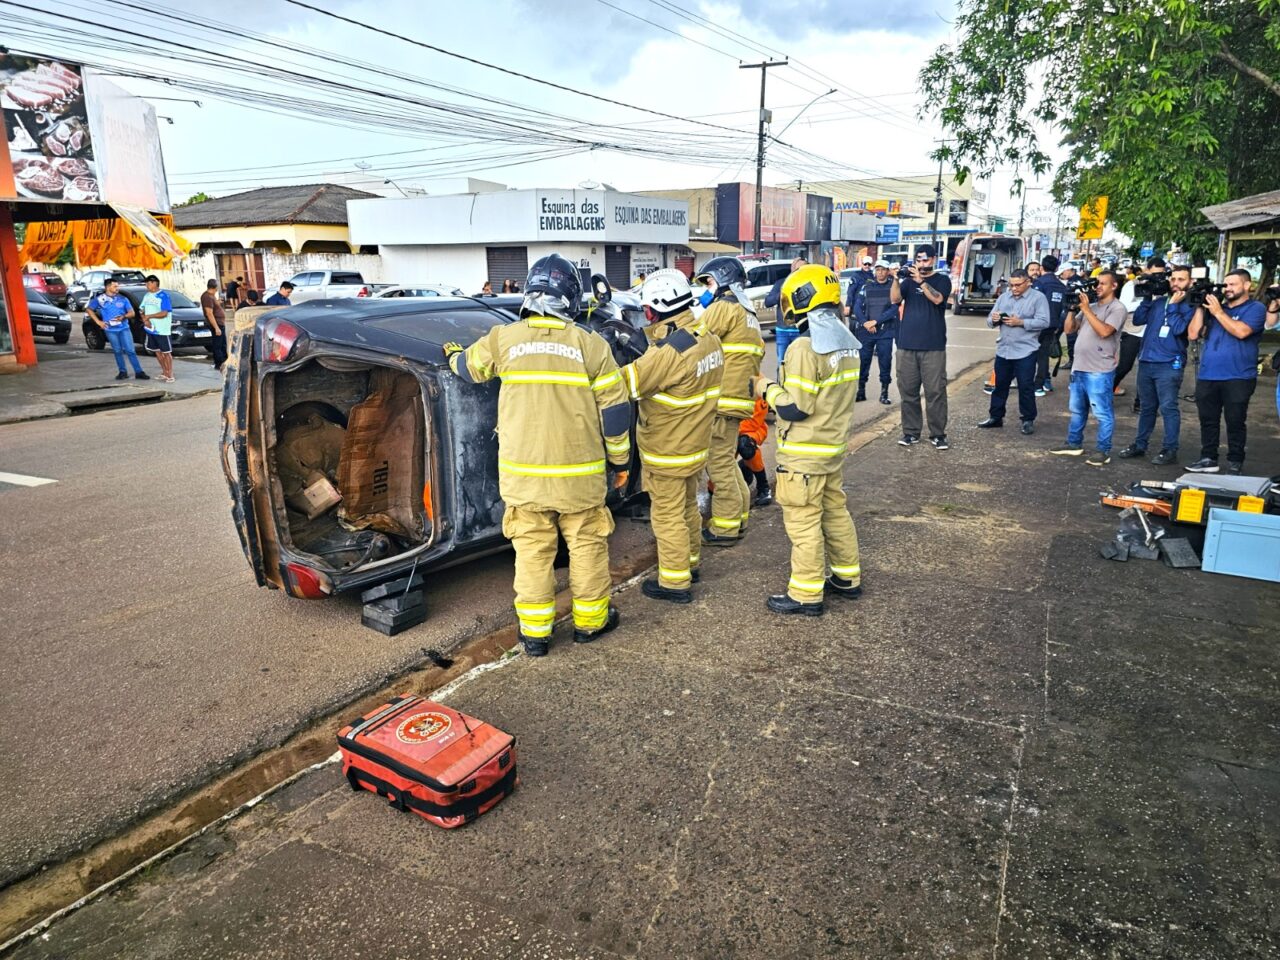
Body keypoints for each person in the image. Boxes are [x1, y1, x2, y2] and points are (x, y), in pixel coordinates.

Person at [443, 254, 631, 656]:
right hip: (580, 478)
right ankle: (591, 624)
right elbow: (615, 414)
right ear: (572, 298)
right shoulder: (591, 345)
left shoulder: (504, 339)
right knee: (586, 547)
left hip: (523, 479)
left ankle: (535, 636)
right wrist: (620, 463)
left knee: (532, 554)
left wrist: (453, 355)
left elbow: (466, 368)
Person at [751, 264, 862, 616]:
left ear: (802, 299)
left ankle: (806, 594)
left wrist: (765, 387)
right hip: (831, 450)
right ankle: (847, 577)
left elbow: (795, 408)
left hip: (803, 456)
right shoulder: (847, 342)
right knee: (834, 513)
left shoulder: (804, 346)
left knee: (803, 522)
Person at [618, 269, 724, 604]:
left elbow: (626, 386)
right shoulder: (706, 335)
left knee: (667, 516)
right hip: (695, 444)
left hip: (668, 449)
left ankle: (675, 583)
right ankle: (690, 565)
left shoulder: (668, 352)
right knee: (688, 508)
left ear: (654, 310)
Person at [693, 256, 765, 545]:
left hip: (721, 399)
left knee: (718, 464)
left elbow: (693, 341)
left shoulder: (724, 307)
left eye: (708, 282)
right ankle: (740, 516)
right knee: (726, 460)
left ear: (722, 279)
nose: (706, 289)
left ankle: (724, 528)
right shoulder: (748, 313)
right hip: (739, 399)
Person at [1185, 269, 1269, 474]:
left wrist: (1218, 313)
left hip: (1238, 376)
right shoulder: (1216, 309)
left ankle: (1235, 461)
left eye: (1233, 284)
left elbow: (1242, 332)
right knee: (1208, 420)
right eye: (1226, 285)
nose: (1228, 289)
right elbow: (1194, 334)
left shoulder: (1256, 308)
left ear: (1247, 285)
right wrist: (1199, 306)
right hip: (1208, 374)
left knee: (1235, 420)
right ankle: (1208, 458)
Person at [1116, 265, 1194, 465]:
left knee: (1168, 407)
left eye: (1181, 279)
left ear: (1190, 282)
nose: (1175, 283)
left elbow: (1178, 329)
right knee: (1147, 407)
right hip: (1147, 361)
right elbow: (1139, 319)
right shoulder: (1160, 302)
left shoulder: (1190, 305)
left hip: (1169, 363)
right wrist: (1147, 298)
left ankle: (1170, 449)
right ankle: (1140, 445)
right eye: (1173, 279)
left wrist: (1174, 306)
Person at [1051, 270, 1126, 466]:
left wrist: (1085, 310)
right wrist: (1070, 309)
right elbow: (1069, 329)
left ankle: (1103, 450)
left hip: (1099, 369)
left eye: (1102, 283)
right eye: (1096, 283)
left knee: (1102, 412)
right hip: (1079, 367)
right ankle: (1074, 444)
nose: (1097, 287)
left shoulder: (1117, 308)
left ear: (1114, 286)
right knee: (1077, 410)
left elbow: (1104, 332)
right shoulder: (1090, 306)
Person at [978, 268, 1050, 434]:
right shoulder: (1004, 297)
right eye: (1011, 285)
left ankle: (1027, 419)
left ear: (1028, 282)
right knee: (1000, 385)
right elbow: (990, 320)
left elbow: (1044, 321)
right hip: (1004, 349)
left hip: (1026, 350)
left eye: (1018, 285)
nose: (1014, 288)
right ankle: (995, 417)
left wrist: (1021, 322)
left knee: (1025, 386)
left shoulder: (1038, 298)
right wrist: (995, 320)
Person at [895, 244, 952, 449]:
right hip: (906, 346)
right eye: (918, 260)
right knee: (908, 392)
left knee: (935, 392)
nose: (922, 264)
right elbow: (895, 299)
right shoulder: (908, 281)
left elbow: (938, 300)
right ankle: (911, 432)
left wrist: (922, 282)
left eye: (926, 260)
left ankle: (938, 434)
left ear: (934, 259)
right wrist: (896, 279)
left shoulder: (942, 280)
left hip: (933, 346)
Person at [1113, 259, 1163, 407]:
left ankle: (1140, 403)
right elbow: (1124, 306)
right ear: (1146, 270)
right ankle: (1105, 391)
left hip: (1152, 333)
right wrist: (1148, 299)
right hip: (1133, 332)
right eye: (1154, 273)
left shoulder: (1162, 286)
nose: (1157, 277)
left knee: (1146, 368)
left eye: (1160, 274)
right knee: (1125, 366)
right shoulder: (1133, 284)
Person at [851, 258, 901, 405]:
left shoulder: (893, 287)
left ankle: (884, 393)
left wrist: (876, 322)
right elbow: (857, 306)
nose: (880, 272)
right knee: (863, 361)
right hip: (866, 331)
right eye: (878, 269)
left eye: (883, 270)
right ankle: (861, 392)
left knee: (885, 362)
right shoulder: (867, 286)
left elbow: (894, 309)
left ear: (888, 271)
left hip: (884, 333)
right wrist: (865, 323)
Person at [88, 278, 148, 381]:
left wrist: (123, 317)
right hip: (110, 330)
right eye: (115, 286)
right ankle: (122, 372)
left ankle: (139, 372)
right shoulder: (100, 299)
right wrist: (99, 322)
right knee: (117, 351)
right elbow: (89, 310)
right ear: (108, 287)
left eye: (117, 286)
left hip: (124, 328)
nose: (117, 288)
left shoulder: (122, 299)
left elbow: (132, 313)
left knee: (130, 350)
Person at [1032, 254, 1069, 394]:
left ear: (1042, 267)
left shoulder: (1039, 283)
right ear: (1057, 268)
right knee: (1043, 356)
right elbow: (1064, 308)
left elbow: (1033, 305)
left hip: (1037, 324)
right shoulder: (1061, 286)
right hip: (1052, 325)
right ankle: (1040, 385)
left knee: (1029, 354)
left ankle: (1030, 383)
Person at [764, 257, 807, 364]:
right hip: (782, 330)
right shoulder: (781, 283)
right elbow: (768, 302)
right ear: (792, 269)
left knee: (800, 363)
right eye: (797, 269)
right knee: (781, 362)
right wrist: (782, 294)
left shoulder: (807, 284)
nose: (800, 272)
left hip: (801, 330)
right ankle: (781, 380)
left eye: (803, 269)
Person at [736, 395, 772, 506]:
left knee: (745, 445)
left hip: (752, 428)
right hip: (728, 427)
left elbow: (754, 420)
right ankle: (743, 469)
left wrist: (730, 431)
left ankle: (763, 487)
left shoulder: (753, 382)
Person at [140, 275, 175, 383]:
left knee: (166, 352)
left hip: (162, 329)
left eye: (148, 283)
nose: (146, 285)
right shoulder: (146, 296)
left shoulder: (163, 296)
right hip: (151, 329)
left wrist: (149, 316)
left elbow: (164, 313)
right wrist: (145, 320)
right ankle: (164, 372)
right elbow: (141, 309)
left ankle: (170, 374)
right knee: (157, 352)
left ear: (155, 283)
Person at [200, 280, 228, 371]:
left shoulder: (211, 296)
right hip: (216, 324)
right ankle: (219, 364)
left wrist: (218, 302)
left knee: (223, 344)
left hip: (220, 323)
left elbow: (213, 307)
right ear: (216, 287)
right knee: (218, 345)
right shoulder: (207, 297)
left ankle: (224, 362)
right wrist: (216, 328)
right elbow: (209, 313)